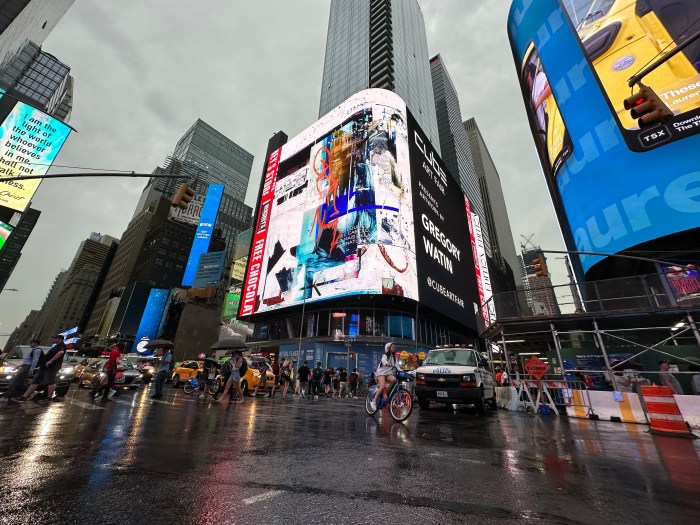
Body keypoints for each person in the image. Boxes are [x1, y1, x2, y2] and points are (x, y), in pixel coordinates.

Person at [20, 335, 67, 403]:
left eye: (55, 338)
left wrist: (50, 361)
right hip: (44, 366)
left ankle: (49, 398)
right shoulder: (55, 346)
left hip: (52, 367)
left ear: (59, 339)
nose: (53, 340)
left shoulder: (62, 346)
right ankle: (24, 396)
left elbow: (60, 353)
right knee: (36, 380)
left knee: (51, 381)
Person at [5, 339, 43, 405]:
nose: (30, 344)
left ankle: (7, 397)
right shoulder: (33, 350)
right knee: (20, 383)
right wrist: (18, 366)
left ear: (36, 343)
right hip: (25, 367)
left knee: (15, 381)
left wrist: (31, 370)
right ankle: (33, 392)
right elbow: (28, 361)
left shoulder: (37, 351)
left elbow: (34, 361)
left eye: (32, 343)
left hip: (27, 368)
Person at [369, 342, 397, 411]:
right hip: (381, 373)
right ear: (388, 348)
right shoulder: (385, 355)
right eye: (392, 347)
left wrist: (402, 371)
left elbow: (397, 366)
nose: (394, 348)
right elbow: (384, 361)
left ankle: (387, 395)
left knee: (395, 380)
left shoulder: (393, 357)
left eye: (394, 347)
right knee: (382, 386)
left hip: (388, 374)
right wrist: (388, 364)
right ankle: (373, 401)